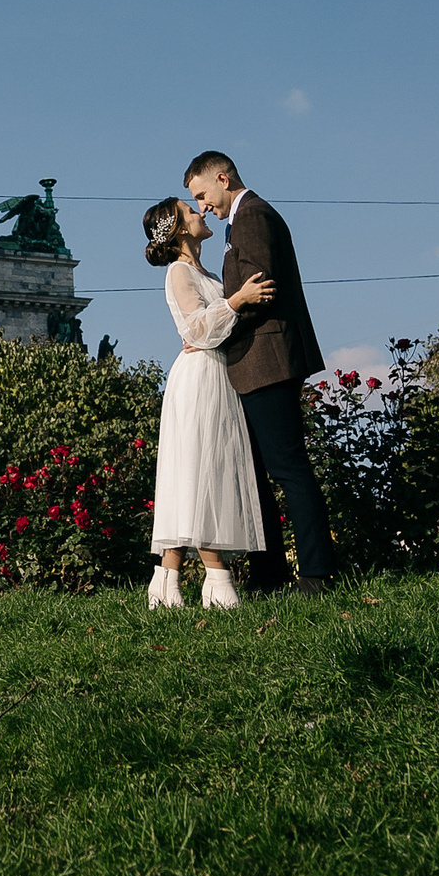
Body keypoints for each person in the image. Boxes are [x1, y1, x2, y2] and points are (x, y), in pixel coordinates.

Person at [186, 150, 337, 592]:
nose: (202, 207)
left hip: (267, 361)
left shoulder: (251, 216)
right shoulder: (243, 219)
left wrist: (213, 328)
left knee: (288, 468)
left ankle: (316, 575)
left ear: (222, 177)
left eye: (202, 195)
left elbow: (260, 294)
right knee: (258, 475)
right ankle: (269, 574)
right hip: (256, 364)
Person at [140, 196, 277, 609]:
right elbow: (199, 328)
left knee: (204, 469)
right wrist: (237, 301)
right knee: (200, 470)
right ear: (181, 228)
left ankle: (166, 581)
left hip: (217, 373)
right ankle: (217, 579)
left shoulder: (202, 270)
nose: (201, 213)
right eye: (191, 210)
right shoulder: (179, 272)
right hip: (198, 377)